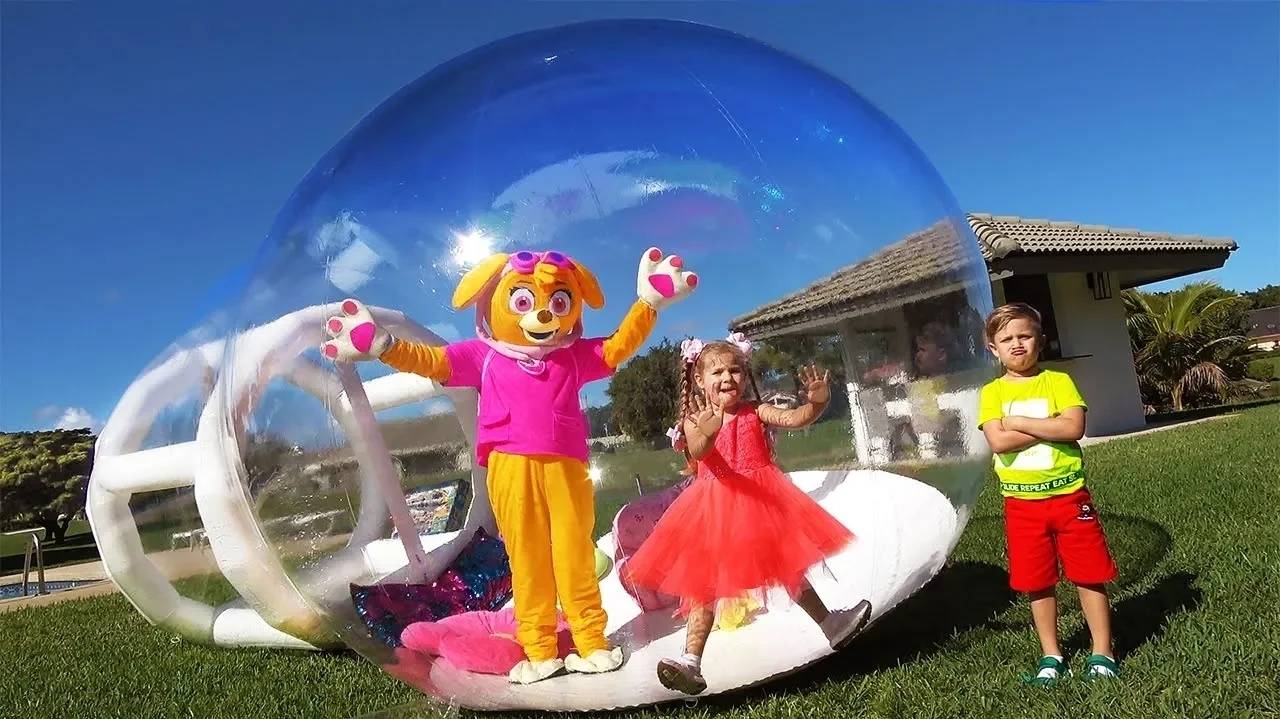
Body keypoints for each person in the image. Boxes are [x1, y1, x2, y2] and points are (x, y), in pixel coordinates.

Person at [626, 334, 871, 696]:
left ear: (745, 375)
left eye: (735, 370)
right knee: (704, 586)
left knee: (787, 567)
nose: (728, 378)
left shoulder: (755, 411)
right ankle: (690, 662)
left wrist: (816, 404)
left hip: (759, 503)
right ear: (699, 380)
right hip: (712, 510)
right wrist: (708, 432)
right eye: (718, 372)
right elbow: (699, 449)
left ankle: (831, 625)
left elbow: (794, 418)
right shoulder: (695, 420)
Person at [978, 303, 1120, 685]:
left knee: (1089, 574)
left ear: (1039, 340)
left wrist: (1018, 422)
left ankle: (1102, 651)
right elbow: (998, 442)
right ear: (994, 349)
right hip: (1022, 504)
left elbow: (1073, 428)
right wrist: (1048, 424)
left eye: (1025, 336)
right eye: (1007, 339)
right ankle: (1051, 654)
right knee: (1037, 581)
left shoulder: (1059, 381)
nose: (1017, 344)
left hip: (1070, 498)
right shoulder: (991, 393)